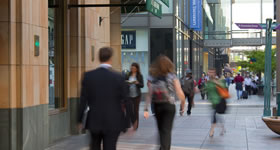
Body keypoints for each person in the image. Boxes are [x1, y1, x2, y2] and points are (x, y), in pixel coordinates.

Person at [78, 47, 127, 150]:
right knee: (110, 147)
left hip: (94, 120)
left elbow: (83, 100)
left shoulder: (88, 76)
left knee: (95, 146)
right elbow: (126, 100)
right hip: (113, 121)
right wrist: (129, 121)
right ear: (111, 58)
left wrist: (79, 119)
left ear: (99, 58)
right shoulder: (118, 77)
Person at [144, 55, 185, 150]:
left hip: (157, 105)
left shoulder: (153, 77)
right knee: (167, 130)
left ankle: (162, 147)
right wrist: (183, 105)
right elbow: (179, 92)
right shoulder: (173, 76)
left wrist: (146, 109)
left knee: (161, 129)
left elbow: (149, 94)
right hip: (169, 106)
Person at [206, 69, 227, 137]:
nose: (210, 74)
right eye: (209, 72)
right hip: (213, 102)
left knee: (214, 116)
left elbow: (224, 87)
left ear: (215, 73)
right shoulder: (208, 82)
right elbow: (206, 89)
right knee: (218, 116)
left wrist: (216, 82)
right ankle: (222, 128)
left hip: (218, 101)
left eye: (212, 72)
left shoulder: (218, 80)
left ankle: (212, 131)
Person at [125, 63, 144, 130]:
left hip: (137, 95)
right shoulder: (128, 74)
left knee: (136, 111)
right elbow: (124, 82)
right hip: (129, 95)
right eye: (131, 68)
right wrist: (127, 83)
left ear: (136, 69)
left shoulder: (139, 76)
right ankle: (128, 125)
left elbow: (142, 85)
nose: (132, 69)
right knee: (129, 110)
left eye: (134, 68)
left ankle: (136, 125)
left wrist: (137, 83)